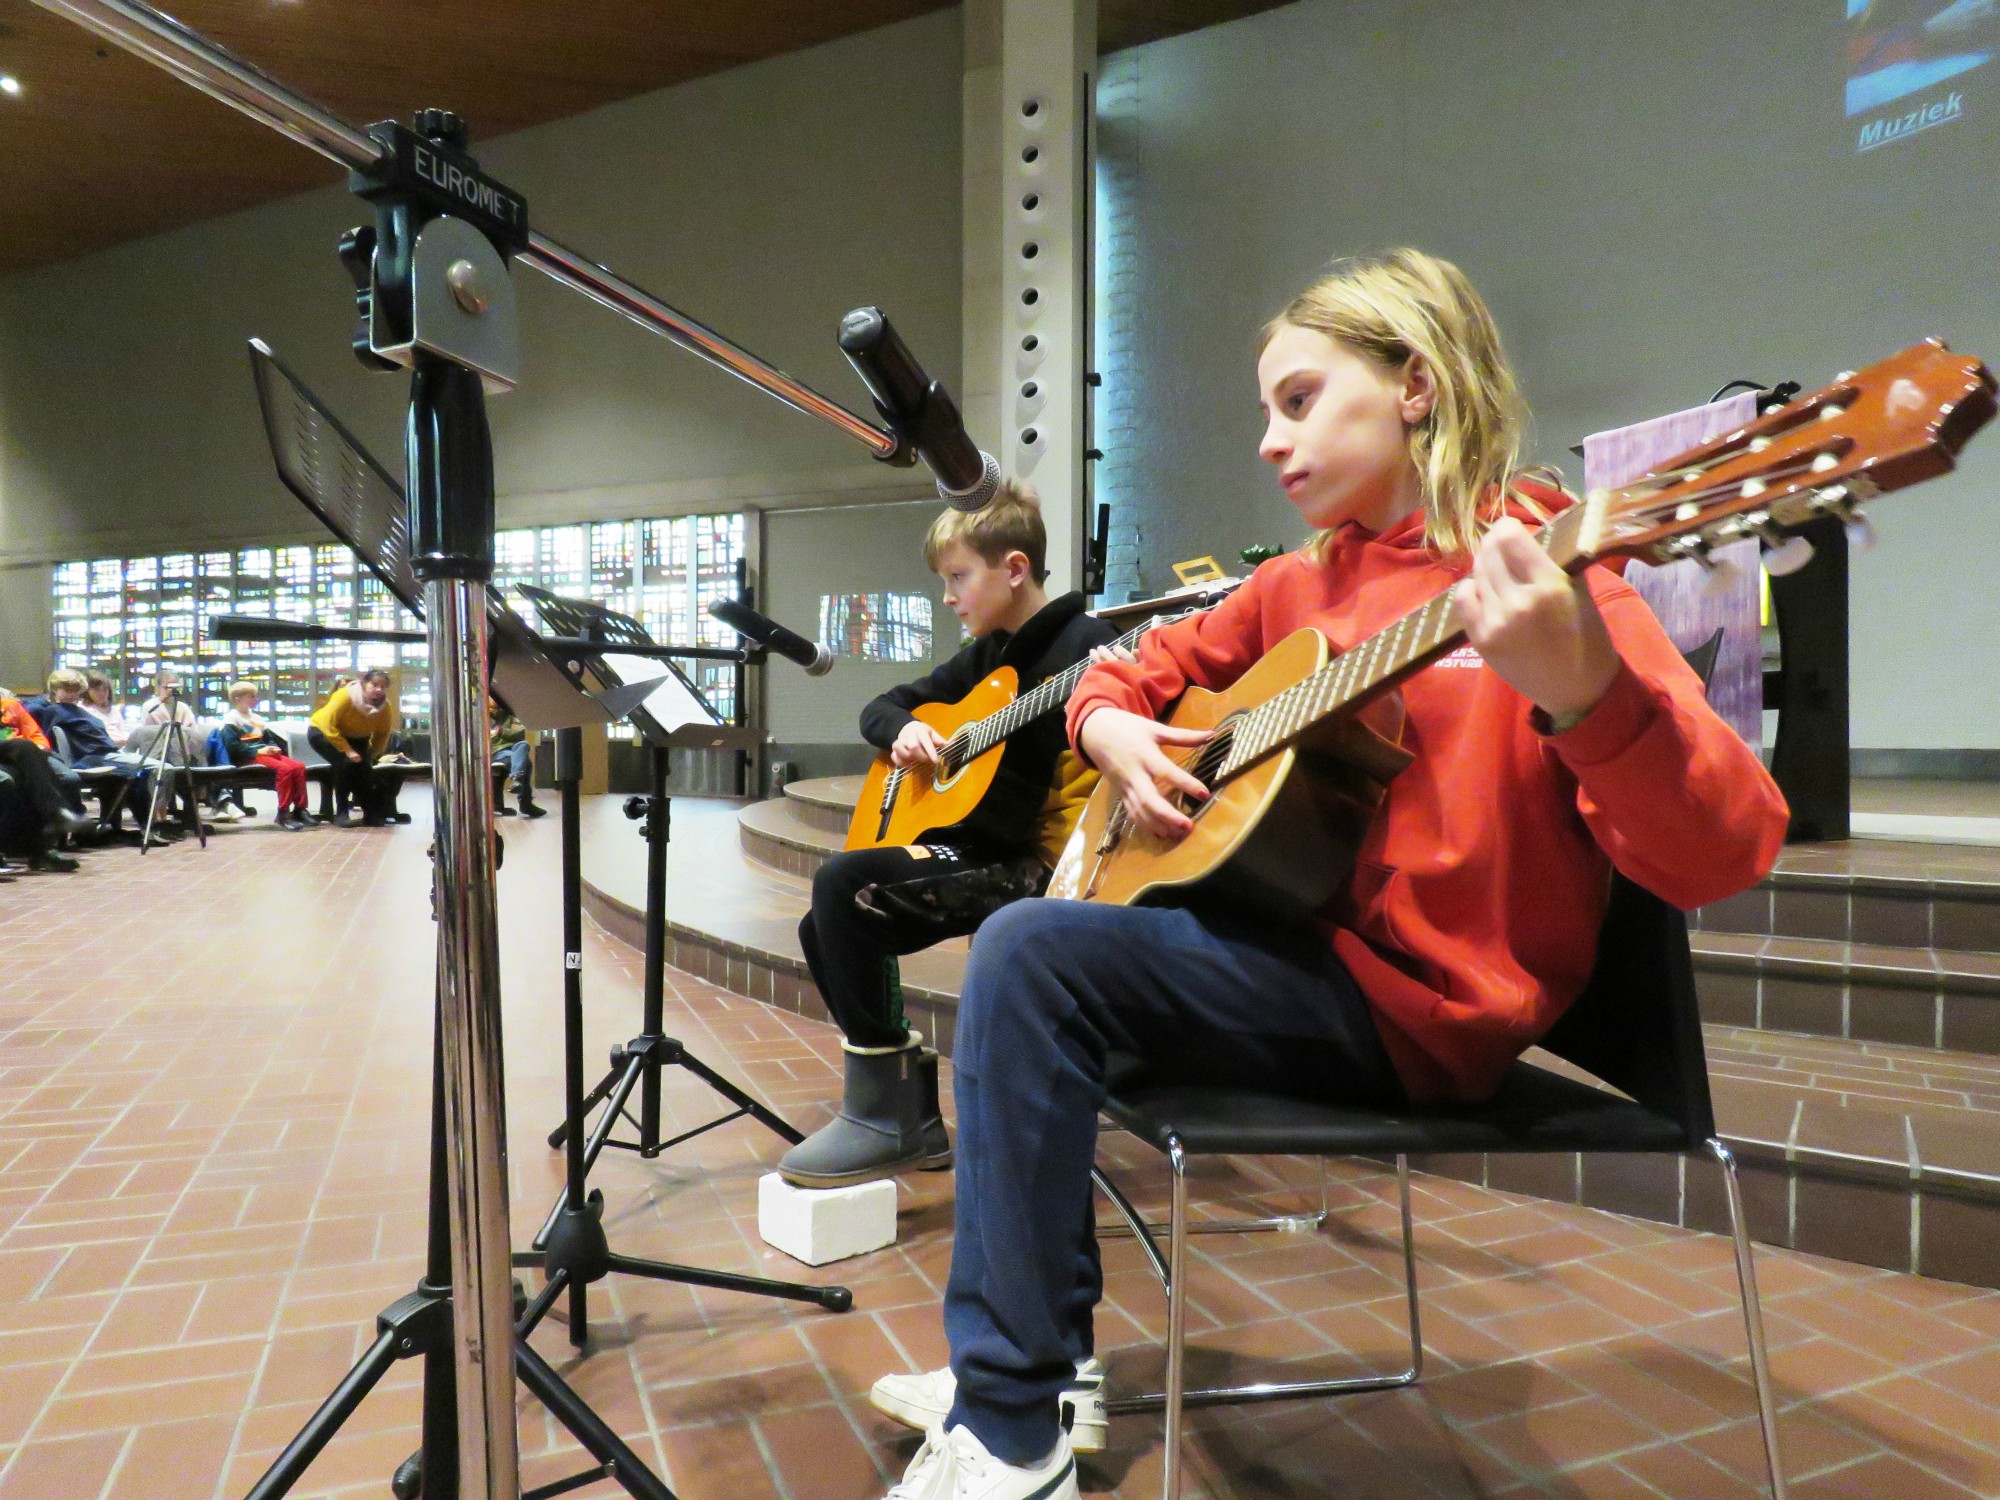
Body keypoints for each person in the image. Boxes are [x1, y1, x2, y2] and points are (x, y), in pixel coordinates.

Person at [863, 250, 1790, 1500]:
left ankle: (1013, 1428)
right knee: (1041, 940)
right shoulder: (1301, 580)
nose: (1266, 440)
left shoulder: (1546, 576)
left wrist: (1583, 694)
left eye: (1296, 400)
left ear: (1414, 385)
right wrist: (1106, 731)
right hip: (1293, 954)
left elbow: (1725, 849)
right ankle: (1028, 1374)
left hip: (1422, 1011)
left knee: (1029, 954)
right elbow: (1120, 670)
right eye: (1266, 410)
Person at [776, 482, 1121, 1191]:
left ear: (1015, 568)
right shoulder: (990, 656)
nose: (948, 597)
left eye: (958, 577)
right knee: (823, 927)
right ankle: (901, 1107)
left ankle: (889, 1121)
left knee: (846, 888)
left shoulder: (1089, 647)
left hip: (1043, 864)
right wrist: (906, 730)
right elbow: (881, 706)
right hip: (984, 842)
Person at [0, 688, 94, 871]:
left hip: (17, 758)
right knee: (22, 751)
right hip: (15, 754)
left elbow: (36, 736)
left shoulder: (10, 706)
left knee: (32, 773)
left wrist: (40, 751)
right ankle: (51, 823)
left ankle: (42, 848)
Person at [308, 669, 396, 826]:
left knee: (364, 769)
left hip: (357, 738)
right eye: (374, 685)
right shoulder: (345, 696)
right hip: (323, 733)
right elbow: (329, 726)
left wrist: (372, 756)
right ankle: (341, 812)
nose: (378, 690)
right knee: (346, 764)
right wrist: (347, 750)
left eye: (383, 687)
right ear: (364, 684)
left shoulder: (385, 707)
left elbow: (382, 735)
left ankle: (370, 813)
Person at [220, 681, 311, 829]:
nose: (256, 699)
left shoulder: (256, 718)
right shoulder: (231, 719)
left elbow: (268, 739)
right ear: (238, 699)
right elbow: (233, 746)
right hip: (248, 757)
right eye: (252, 696)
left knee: (299, 767)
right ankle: (283, 813)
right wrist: (257, 751)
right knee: (285, 769)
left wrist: (273, 748)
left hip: (264, 754)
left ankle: (300, 809)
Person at [489, 698, 544, 818]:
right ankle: (525, 803)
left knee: (523, 744)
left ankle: (517, 780)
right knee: (526, 763)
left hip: (513, 750)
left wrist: (500, 730)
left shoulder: (513, 716)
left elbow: (518, 733)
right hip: (496, 752)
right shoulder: (483, 715)